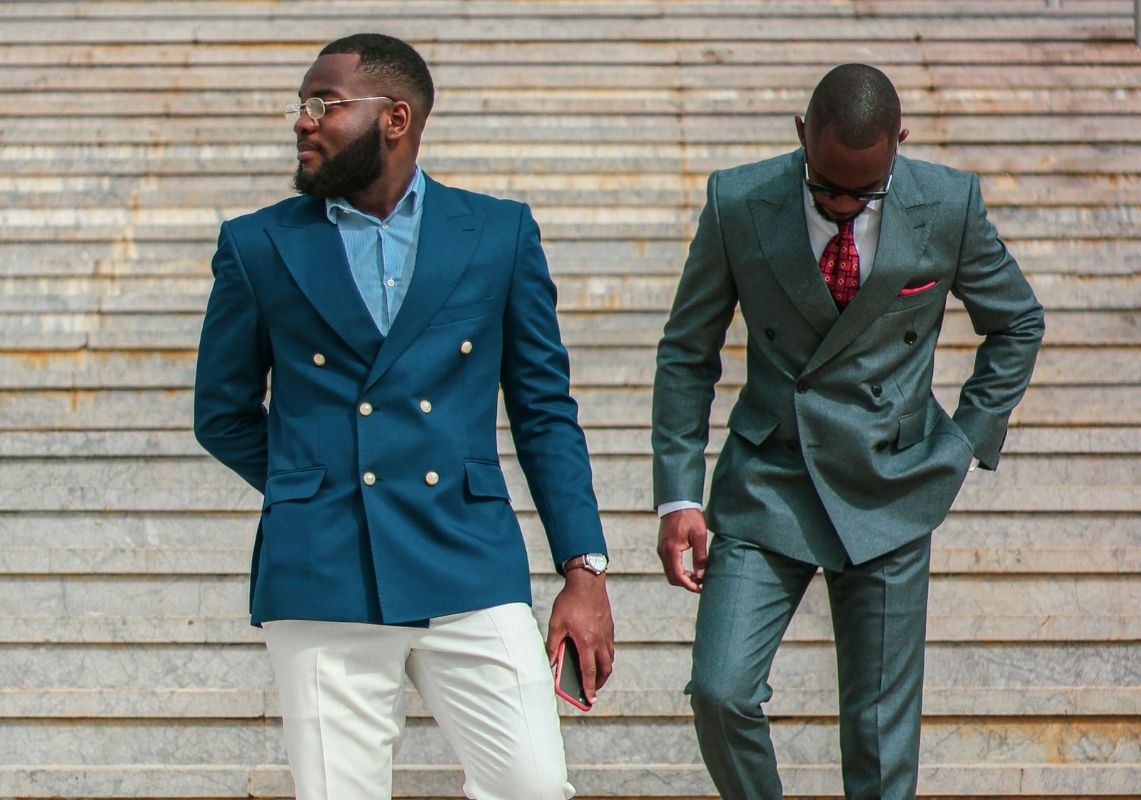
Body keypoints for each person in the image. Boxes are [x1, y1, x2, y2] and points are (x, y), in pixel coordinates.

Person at [193, 33, 614, 800]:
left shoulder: (498, 233)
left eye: (324, 103)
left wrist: (582, 570)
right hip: (323, 568)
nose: (303, 120)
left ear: (395, 118)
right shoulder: (256, 244)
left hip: (468, 554)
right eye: (301, 105)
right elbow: (221, 413)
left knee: (532, 785)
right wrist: (314, 484)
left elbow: (544, 410)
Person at [652, 64, 1044, 799]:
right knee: (720, 690)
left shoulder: (948, 203)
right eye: (824, 185)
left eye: (863, 192)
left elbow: (1017, 321)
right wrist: (678, 496)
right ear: (801, 135)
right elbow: (686, 351)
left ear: (901, 142)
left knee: (879, 744)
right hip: (768, 482)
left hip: (892, 485)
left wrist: (964, 440)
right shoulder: (738, 200)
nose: (840, 204)